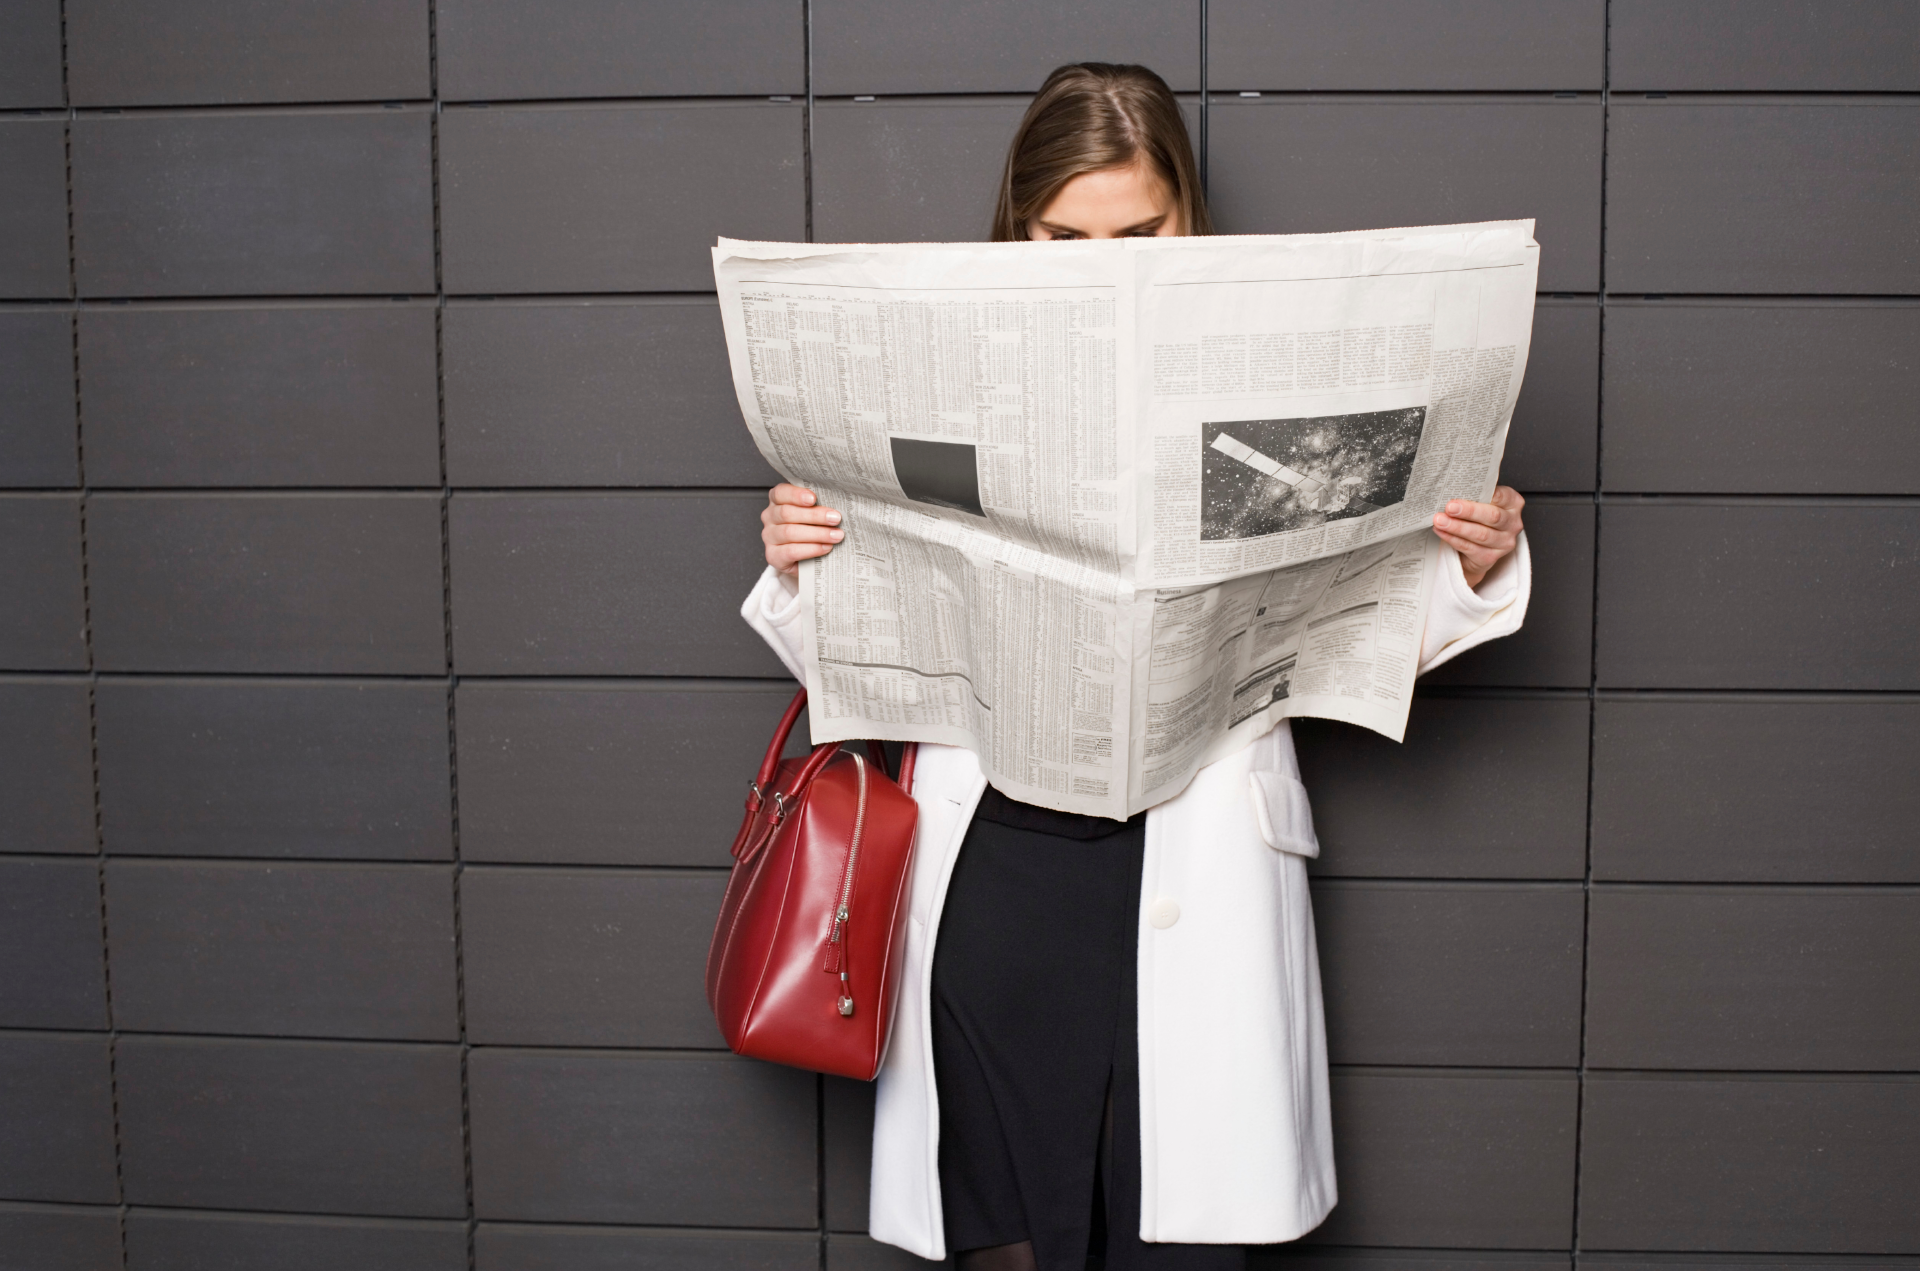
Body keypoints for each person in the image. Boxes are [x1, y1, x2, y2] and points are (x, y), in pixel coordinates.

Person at [742, 63, 1530, 1271]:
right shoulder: (936, 369)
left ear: (1189, 220)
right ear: (1018, 227)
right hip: (996, 878)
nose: (1103, 264)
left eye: (1140, 233)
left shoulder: (1279, 373)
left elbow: (1351, 636)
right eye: (1064, 237)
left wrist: (1469, 563)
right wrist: (807, 565)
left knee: (1174, 1240)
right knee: (1004, 1231)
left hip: (1191, 856)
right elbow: (866, 670)